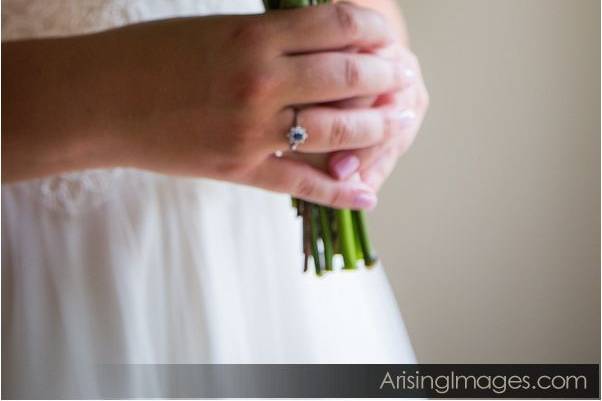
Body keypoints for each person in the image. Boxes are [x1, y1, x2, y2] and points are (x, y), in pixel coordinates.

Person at [1, 0, 429, 397]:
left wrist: (379, 89)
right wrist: (134, 95)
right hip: (49, 271)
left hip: (275, 268)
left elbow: (366, 13)